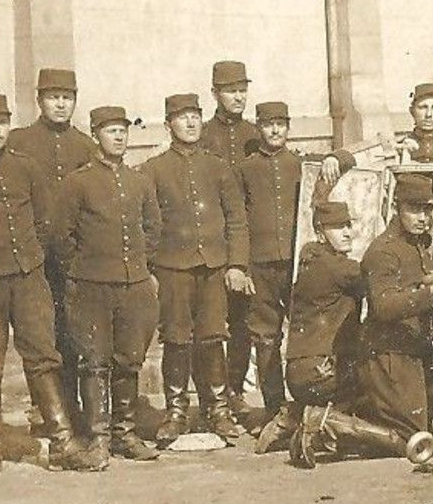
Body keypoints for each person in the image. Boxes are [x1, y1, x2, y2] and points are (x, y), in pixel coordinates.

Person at [0, 94, 98, 476]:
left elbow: (47, 222)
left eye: (1, 122)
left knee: (44, 357)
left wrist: (33, 261)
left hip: (28, 278)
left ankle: (62, 441)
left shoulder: (27, 169)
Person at [235, 100, 351, 442]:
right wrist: (242, 265)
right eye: (269, 124)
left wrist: (336, 158)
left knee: (311, 330)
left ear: (289, 128)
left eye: (281, 125)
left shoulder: (301, 164)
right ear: (258, 127)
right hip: (261, 267)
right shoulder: (245, 169)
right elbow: (238, 221)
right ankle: (275, 409)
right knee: (266, 338)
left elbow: (351, 159)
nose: (275, 131)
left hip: (300, 266)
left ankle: (314, 403)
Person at [56, 106, 163, 466]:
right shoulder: (78, 182)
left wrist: (136, 266)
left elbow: (153, 229)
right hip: (91, 287)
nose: (118, 137)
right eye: (110, 130)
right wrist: (84, 270)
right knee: (95, 363)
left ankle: (125, 434)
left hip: (133, 285)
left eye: (123, 131)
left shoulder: (139, 182)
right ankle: (98, 437)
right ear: (95, 134)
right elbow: (62, 237)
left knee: (129, 360)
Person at [142, 92, 252, 442]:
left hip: (214, 267)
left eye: (194, 116)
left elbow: (236, 219)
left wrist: (236, 264)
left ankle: (217, 410)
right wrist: (151, 270)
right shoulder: (153, 170)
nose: (190, 123)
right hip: (172, 268)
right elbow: (146, 223)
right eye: (181, 117)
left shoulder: (217, 167)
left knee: (212, 336)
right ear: (168, 124)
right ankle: (176, 412)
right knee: (176, 338)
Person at [279, 201, 409, 466]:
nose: (348, 232)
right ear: (320, 233)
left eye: (349, 225)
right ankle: (321, 421)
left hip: (302, 372)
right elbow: (382, 287)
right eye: (338, 227)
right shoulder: (338, 267)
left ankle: (292, 416)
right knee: (387, 389)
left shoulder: (310, 260)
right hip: (324, 372)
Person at [8, 68, 98, 434]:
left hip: (76, 255)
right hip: (35, 255)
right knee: (41, 335)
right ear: (39, 101)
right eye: (53, 97)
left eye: (67, 97)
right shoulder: (20, 142)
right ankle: (44, 410)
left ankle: (73, 408)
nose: (61, 104)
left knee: (73, 332)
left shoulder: (85, 146)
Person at [355, 173, 433, 440]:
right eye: (414, 209)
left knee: (421, 431)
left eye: (427, 209)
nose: (422, 217)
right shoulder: (383, 251)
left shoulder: (416, 246)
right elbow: (384, 307)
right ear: (395, 208)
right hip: (388, 353)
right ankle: (323, 425)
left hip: (413, 351)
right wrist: (430, 294)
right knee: (410, 438)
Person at [199, 60, 258, 422]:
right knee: (209, 324)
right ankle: (211, 398)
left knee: (243, 322)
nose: (238, 97)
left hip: (248, 243)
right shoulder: (203, 136)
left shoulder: (255, 134)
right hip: (212, 243)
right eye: (230, 90)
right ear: (215, 94)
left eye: (242, 90)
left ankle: (234, 392)